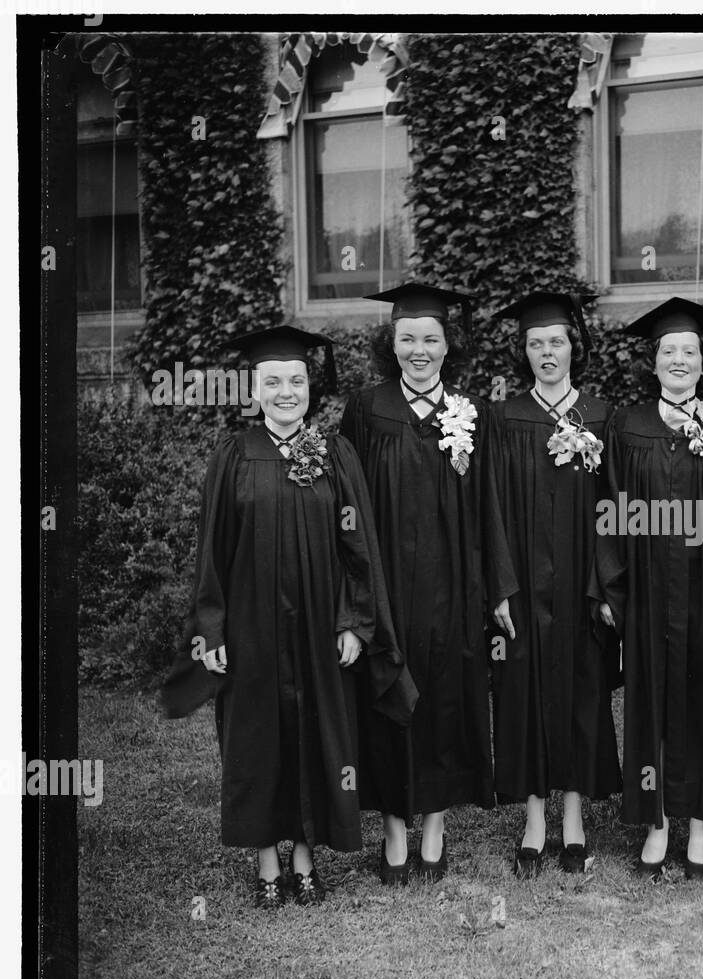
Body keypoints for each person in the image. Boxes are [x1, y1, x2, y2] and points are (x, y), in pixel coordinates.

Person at [160, 326, 416, 909]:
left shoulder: (335, 454)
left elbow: (360, 548)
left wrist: (355, 621)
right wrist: (211, 631)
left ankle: (305, 861)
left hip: (318, 630)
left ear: (310, 386)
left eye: (295, 381)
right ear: (253, 389)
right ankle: (267, 865)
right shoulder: (233, 457)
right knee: (257, 739)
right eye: (272, 382)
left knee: (315, 735)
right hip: (251, 632)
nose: (285, 392)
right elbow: (213, 553)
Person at [341, 283, 518, 885]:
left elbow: (490, 505)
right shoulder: (367, 410)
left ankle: (435, 829)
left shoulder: (472, 414)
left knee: (444, 700)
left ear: (449, 345)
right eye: (408, 338)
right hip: (385, 590)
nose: (419, 350)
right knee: (387, 697)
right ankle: (394, 829)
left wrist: (497, 589)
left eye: (430, 339)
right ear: (391, 344)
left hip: (453, 590)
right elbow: (346, 504)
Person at [594, 297, 703, 879]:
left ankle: (698, 824)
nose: (678, 359)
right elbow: (615, 509)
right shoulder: (629, 425)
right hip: (648, 592)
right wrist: (612, 591)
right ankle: (656, 823)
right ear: (653, 362)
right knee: (649, 706)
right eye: (668, 351)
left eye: (688, 351)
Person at [489, 291, 621, 877]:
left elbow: (618, 509)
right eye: (536, 343)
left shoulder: (602, 416)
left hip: (581, 587)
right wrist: (499, 586)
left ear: (575, 347)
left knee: (582, 695)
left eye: (557, 342)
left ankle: (574, 819)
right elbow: (488, 508)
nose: (547, 352)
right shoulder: (505, 419)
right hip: (522, 588)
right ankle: (534, 820)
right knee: (524, 699)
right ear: (524, 351)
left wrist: (607, 588)